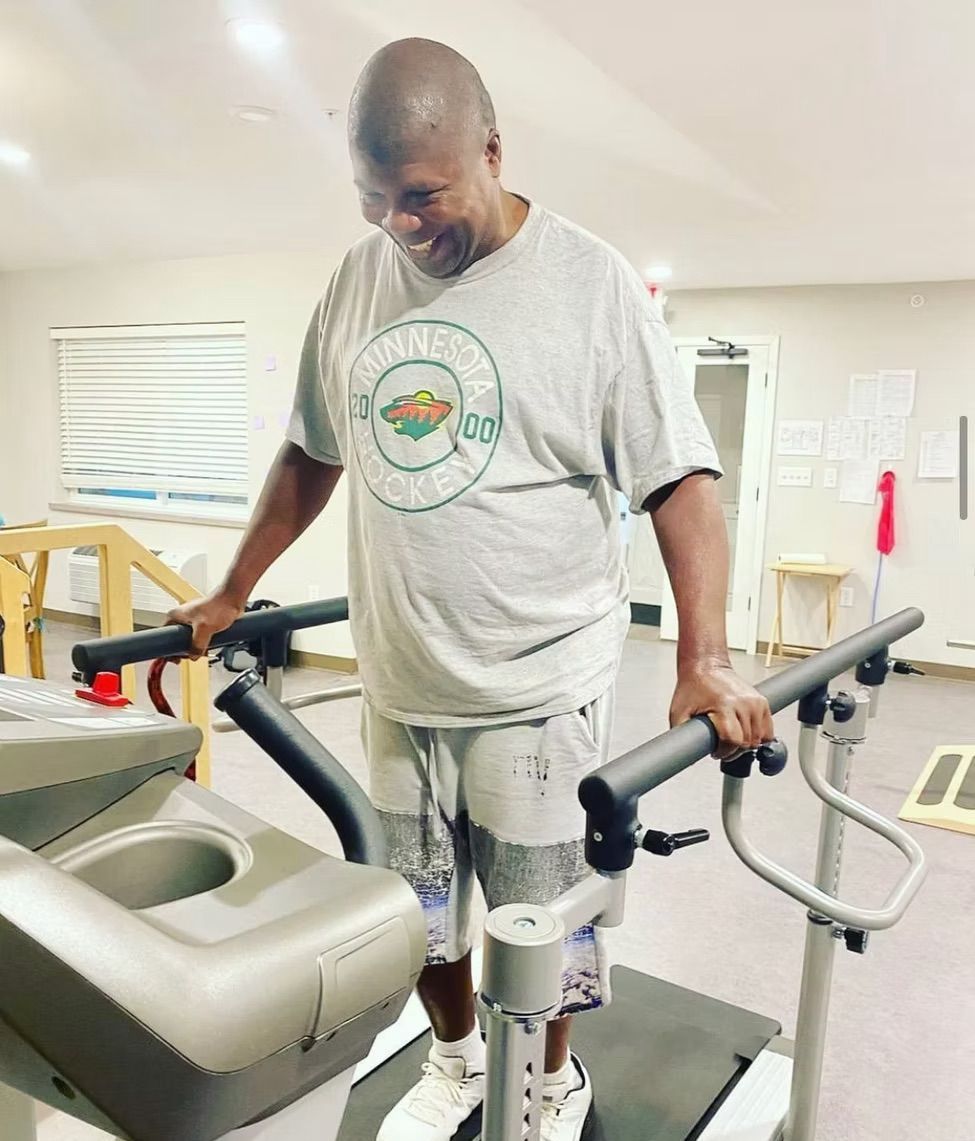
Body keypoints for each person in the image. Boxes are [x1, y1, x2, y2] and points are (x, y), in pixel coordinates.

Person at [169, 37, 774, 1141]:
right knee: (421, 916)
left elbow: (679, 480)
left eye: (423, 195)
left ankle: (546, 1079)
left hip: (535, 686)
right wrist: (231, 588)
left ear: (492, 151)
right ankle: (454, 1061)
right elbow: (313, 453)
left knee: (547, 923)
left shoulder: (589, 285)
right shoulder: (357, 282)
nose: (400, 224)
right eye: (373, 200)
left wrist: (703, 654)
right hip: (398, 685)